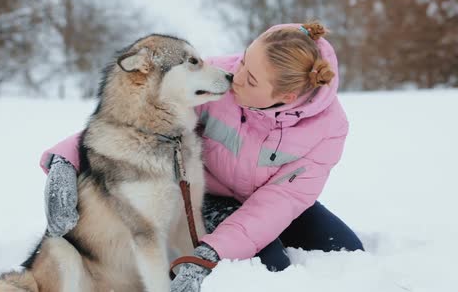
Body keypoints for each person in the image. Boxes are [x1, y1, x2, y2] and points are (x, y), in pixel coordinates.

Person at [40, 22, 364, 292]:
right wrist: (63, 162)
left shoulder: (328, 129)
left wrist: (212, 251)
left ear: (287, 97)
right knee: (271, 266)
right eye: (244, 60)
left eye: (250, 78)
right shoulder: (218, 78)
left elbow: (282, 200)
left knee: (347, 251)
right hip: (207, 196)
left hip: (272, 202)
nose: (236, 74)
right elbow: (135, 124)